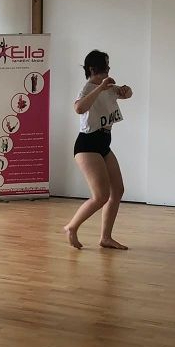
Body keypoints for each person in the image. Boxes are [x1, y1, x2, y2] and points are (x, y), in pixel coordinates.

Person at [63, 50, 133, 251]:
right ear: (93, 69)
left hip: (103, 143)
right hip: (87, 145)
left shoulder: (108, 87)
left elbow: (127, 94)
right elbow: (79, 108)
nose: (108, 69)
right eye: (105, 66)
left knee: (117, 190)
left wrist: (126, 90)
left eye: (108, 66)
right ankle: (71, 227)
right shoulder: (87, 88)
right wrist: (100, 87)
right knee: (101, 196)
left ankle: (106, 237)